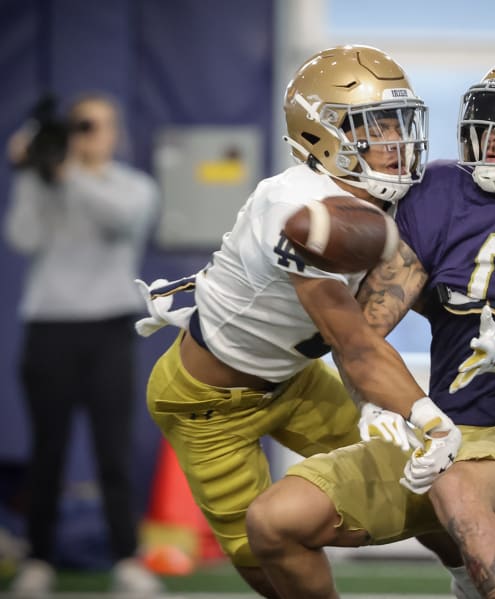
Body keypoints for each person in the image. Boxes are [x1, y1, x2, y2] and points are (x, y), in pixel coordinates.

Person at [244, 53, 495, 598]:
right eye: (486, 120)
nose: (493, 137)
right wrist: (373, 402)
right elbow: (365, 331)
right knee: (274, 521)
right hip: (439, 434)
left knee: (457, 487)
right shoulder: (440, 193)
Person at [134, 45, 461, 597]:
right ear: (320, 136)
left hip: (291, 377)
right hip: (204, 402)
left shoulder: (371, 196)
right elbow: (352, 343)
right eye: (374, 127)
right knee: (263, 549)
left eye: (399, 123)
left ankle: (471, 582)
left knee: (422, 477)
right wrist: (427, 414)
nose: (396, 142)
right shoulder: (298, 209)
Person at [3, 93, 163, 594]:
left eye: (99, 126)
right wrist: (31, 173)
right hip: (50, 328)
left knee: (111, 450)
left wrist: (68, 172)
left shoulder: (134, 187)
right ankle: (39, 560)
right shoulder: (44, 181)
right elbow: (23, 238)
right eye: (82, 126)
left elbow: (121, 222)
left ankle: (126, 558)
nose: (91, 135)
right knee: (48, 450)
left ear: (115, 133)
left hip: (109, 329)